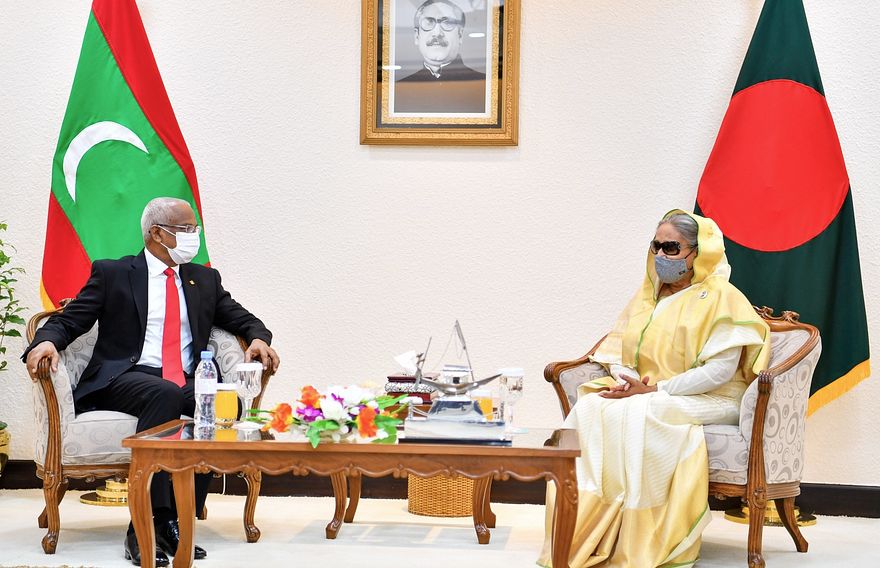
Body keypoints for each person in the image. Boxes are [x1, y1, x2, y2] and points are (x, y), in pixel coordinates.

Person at [23, 197, 280, 567]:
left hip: (186, 377)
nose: (195, 235)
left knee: (218, 402)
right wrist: (45, 342)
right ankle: (145, 524)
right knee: (165, 394)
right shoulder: (113, 273)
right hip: (126, 376)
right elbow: (70, 319)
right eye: (187, 229)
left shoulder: (203, 279)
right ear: (157, 234)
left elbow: (244, 320)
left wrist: (258, 339)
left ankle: (177, 520)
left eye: (195, 228)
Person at [538, 210, 771, 568]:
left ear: (698, 252)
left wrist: (657, 389)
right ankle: (583, 525)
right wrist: (627, 381)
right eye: (656, 246)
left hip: (712, 398)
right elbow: (618, 353)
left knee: (647, 411)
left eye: (671, 247)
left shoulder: (723, 298)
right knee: (590, 408)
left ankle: (643, 538)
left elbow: (719, 372)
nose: (661, 255)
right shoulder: (649, 296)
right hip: (646, 391)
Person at [394, 0, 487, 113]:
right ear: (417, 36)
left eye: (447, 23)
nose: (437, 33)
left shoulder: (485, 87)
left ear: (460, 35)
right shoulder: (398, 90)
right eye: (429, 22)